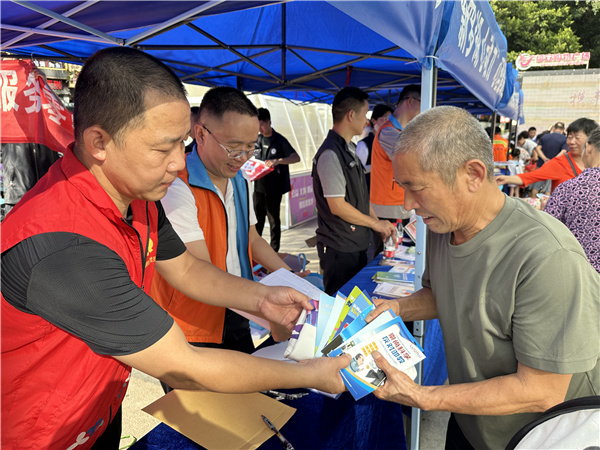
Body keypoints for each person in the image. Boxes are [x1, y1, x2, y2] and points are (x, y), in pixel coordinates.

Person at [0, 47, 349, 450]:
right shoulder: (65, 247)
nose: (179, 163)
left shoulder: (138, 199)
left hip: (94, 409)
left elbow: (186, 268)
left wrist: (262, 299)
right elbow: (184, 365)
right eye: (163, 148)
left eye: (180, 144)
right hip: (38, 432)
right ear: (99, 141)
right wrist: (310, 374)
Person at [365, 106, 599, 450]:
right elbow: (444, 293)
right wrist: (397, 308)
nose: (407, 204)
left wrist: (423, 396)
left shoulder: (548, 256)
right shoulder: (442, 225)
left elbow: (542, 391)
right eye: (402, 187)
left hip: (535, 438)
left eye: (417, 188)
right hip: (471, 421)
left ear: (473, 174)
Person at [151, 87, 304, 392]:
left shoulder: (240, 179)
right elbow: (197, 272)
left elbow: (251, 238)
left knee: (247, 398)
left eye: (250, 147)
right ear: (201, 134)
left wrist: (289, 279)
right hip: (190, 326)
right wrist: (267, 305)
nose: (243, 158)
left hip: (237, 309)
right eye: (233, 147)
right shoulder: (176, 187)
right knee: (203, 412)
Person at [312, 87, 396, 295]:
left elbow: (361, 200)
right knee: (341, 304)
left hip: (355, 243)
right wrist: (375, 224)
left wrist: (379, 225)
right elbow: (338, 206)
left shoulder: (349, 150)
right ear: (351, 115)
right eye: (365, 114)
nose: (367, 121)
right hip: (339, 248)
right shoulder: (331, 154)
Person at [370, 84, 421, 255]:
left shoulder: (400, 131)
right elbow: (413, 160)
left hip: (398, 205)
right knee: (387, 256)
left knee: (398, 254)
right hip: (388, 208)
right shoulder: (388, 132)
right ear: (410, 101)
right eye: (422, 103)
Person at [542, 127, 600, 273]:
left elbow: (546, 233)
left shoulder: (568, 189)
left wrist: (543, 212)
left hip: (579, 275)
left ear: (589, 148)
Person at [496, 118, 599, 193]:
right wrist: (506, 179)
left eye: (577, 138)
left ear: (591, 139)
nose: (571, 142)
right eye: (569, 137)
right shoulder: (560, 163)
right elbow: (531, 176)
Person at [253, 107, 300, 252]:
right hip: (258, 188)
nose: (259, 129)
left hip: (274, 189)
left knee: (273, 221)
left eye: (262, 125)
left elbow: (296, 158)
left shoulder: (279, 140)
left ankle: (274, 251)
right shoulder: (257, 139)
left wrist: (278, 160)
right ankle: (255, 251)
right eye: (257, 125)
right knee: (257, 221)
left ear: (269, 122)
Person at [356, 103, 393, 189]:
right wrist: (378, 166)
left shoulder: (389, 143)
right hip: (368, 192)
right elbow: (357, 170)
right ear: (373, 121)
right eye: (385, 119)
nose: (388, 123)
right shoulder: (364, 145)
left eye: (391, 120)